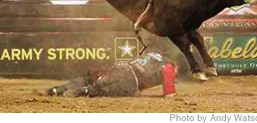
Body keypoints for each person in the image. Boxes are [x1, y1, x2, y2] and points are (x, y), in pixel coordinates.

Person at [48, 52, 177, 98]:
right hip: (131, 82)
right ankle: (80, 92)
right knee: (100, 89)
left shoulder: (153, 55)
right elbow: (169, 95)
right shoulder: (169, 66)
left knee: (92, 78)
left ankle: (58, 89)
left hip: (122, 68)